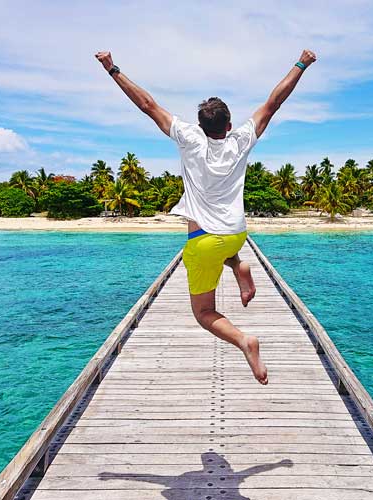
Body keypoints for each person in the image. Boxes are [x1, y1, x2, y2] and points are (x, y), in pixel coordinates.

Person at [95, 49, 317, 385]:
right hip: (237, 235)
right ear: (229, 125)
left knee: (203, 313)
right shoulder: (241, 139)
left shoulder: (189, 139)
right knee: (225, 248)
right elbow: (274, 103)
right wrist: (301, 63)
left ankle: (245, 341)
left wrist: (112, 68)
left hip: (204, 242)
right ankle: (239, 265)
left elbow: (147, 105)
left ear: (199, 125)